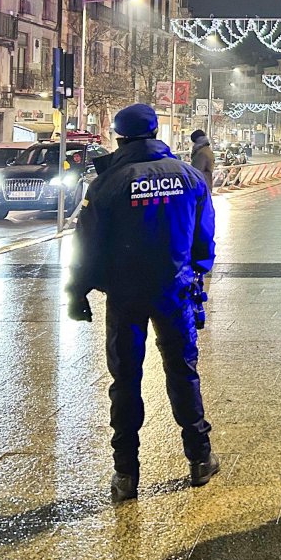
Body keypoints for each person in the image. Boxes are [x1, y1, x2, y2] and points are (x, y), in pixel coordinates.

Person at [67, 103, 219, 502]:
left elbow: (87, 244)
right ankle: (200, 458)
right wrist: (195, 272)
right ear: (155, 134)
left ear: (120, 138)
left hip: (126, 295)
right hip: (175, 292)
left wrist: (78, 290)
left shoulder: (108, 183)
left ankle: (126, 473)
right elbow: (204, 236)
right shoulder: (188, 177)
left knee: (126, 380)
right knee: (183, 373)